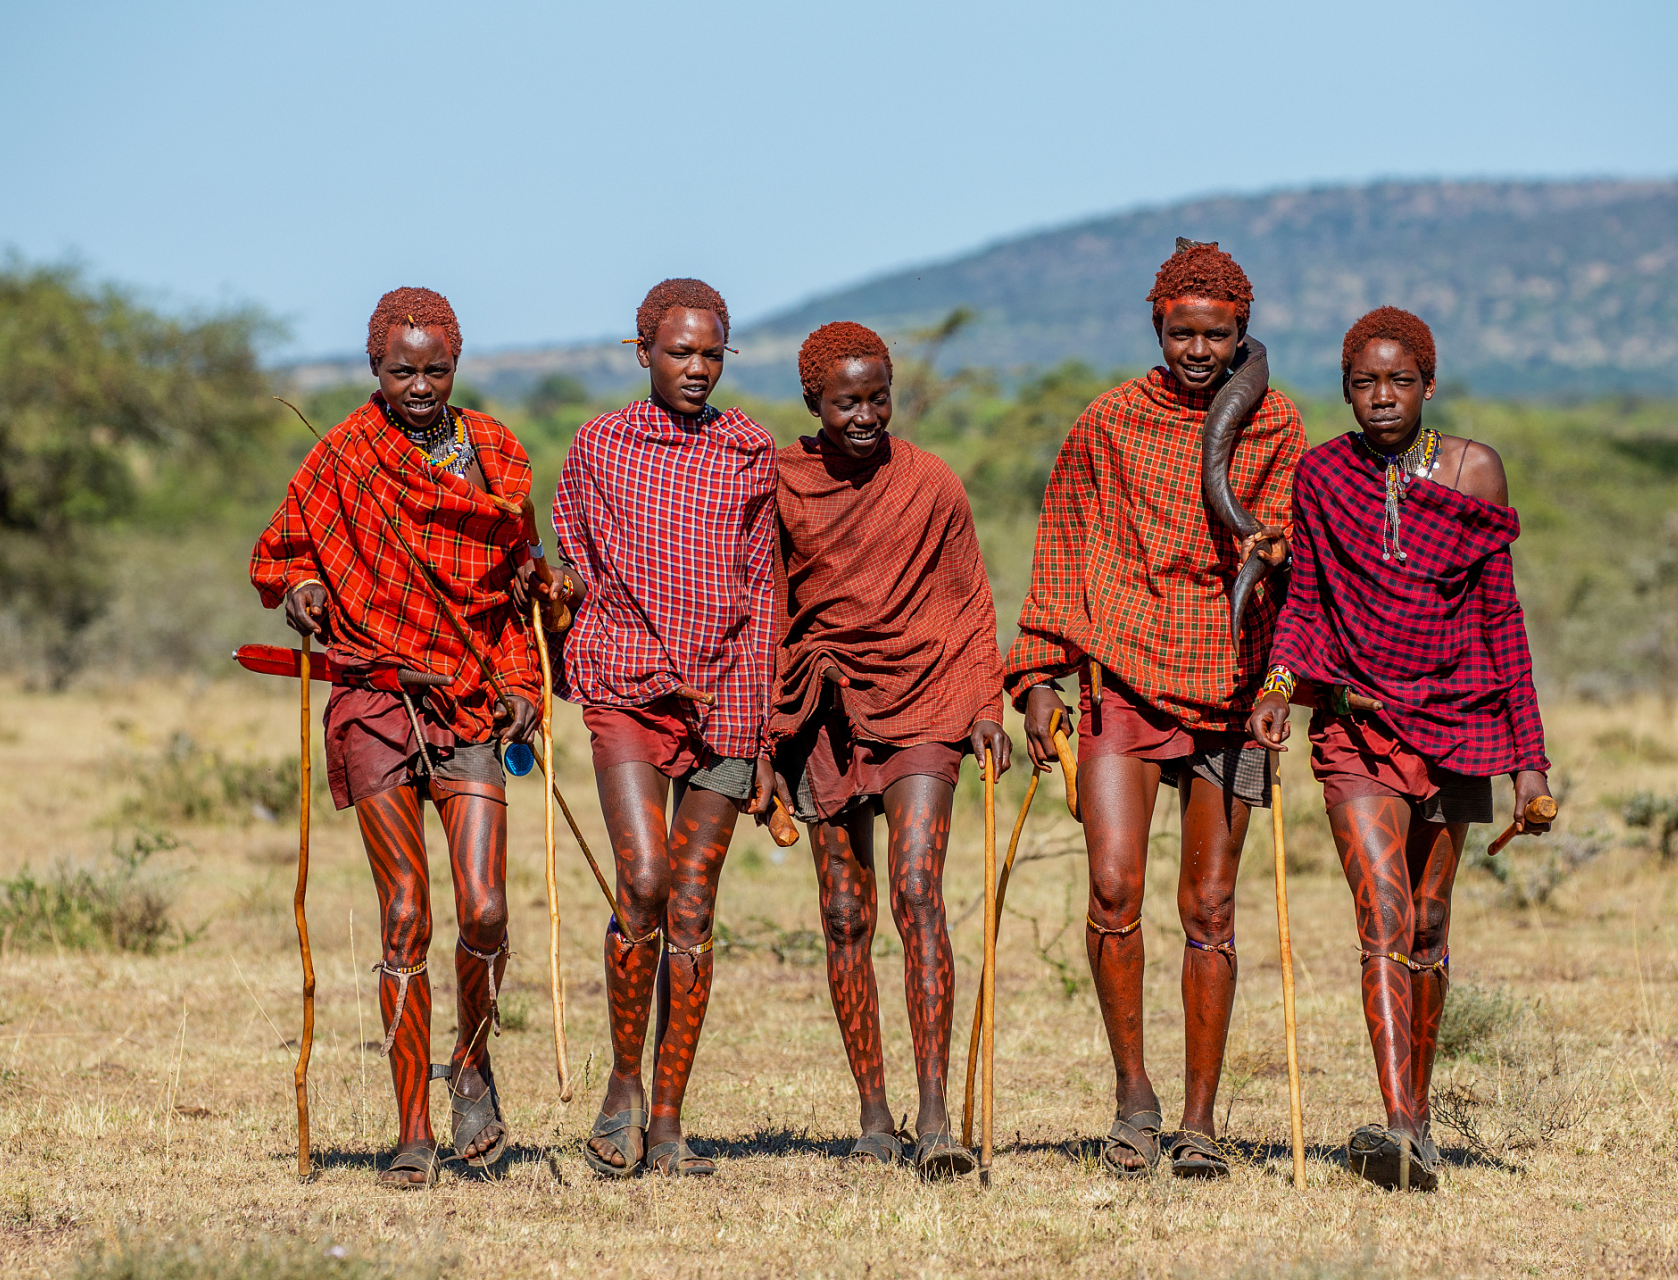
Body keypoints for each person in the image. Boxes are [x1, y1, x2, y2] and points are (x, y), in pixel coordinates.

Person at [252, 286, 566, 1188]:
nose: (420, 386)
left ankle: (471, 1062)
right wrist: (306, 587)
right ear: (374, 371)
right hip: (376, 699)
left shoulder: (497, 451)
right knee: (404, 915)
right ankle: (413, 1131)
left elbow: (518, 585)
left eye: (435, 370)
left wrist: (518, 684)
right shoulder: (341, 457)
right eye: (402, 371)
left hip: (471, 702)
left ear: (456, 367)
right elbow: (282, 551)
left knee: (486, 909)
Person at [1007, 242, 1306, 1177]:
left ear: (1241, 334)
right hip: (1122, 671)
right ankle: (1134, 1100)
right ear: (1156, 329)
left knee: (1210, 903)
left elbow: (1297, 553)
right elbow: (1062, 541)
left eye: (1217, 335)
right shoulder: (1109, 423)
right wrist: (1038, 676)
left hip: (1234, 673)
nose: (1198, 351)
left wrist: (1278, 683)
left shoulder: (1277, 425)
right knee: (1113, 889)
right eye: (1182, 332)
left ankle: (1201, 1121)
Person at [1248, 306, 1552, 1192]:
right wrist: (1277, 689)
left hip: (1461, 723)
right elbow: (1306, 602)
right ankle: (1398, 1126)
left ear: (1428, 383)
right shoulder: (1322, 474)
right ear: (1345, 390)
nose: (1381, 398)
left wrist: (1529, 759)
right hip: (1356, 725)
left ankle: (1414, 1111)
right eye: (1363, 383)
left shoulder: (1472, 469)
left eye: (1398, 381)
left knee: (1427, 922)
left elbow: (1501, 616)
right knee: (1379, 912)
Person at [766, 322, 1010, 1178]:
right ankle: (873, 1112)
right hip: (822, 708)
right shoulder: (784, 483)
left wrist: (986, 702)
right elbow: (765, 601)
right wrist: (764, 734)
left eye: (878, 397)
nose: (865, 414)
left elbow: (971, 596)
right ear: (813, 405)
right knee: (844, 915)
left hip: (928, 697)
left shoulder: (930, 483)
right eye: (846, 402)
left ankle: (937, 1115)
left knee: (916, 893)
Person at [552, 278, 780, 1178]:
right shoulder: (600, 446)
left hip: (727, 699)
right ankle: (621, 1087)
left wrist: (757, 733)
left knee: (693, 911)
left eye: (711, 353)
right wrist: (558, 590)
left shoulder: (750, 450)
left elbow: (765, 592)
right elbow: (570, 555)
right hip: (624, 687)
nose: (696, 368)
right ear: (641, 350)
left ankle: (672, 1118)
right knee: (642, 880)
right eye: (679, 351)